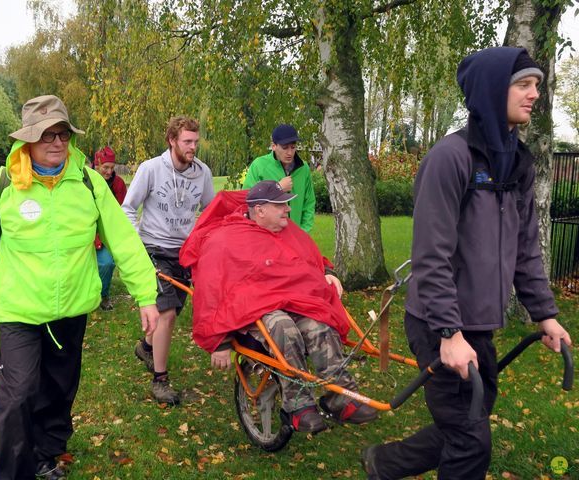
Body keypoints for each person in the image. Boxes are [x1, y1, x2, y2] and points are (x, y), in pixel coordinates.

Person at [360, 48, 572, 480]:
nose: (535, 94)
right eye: (524, 84)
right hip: (439, 323)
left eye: (537, 85)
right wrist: (448, 334)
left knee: (468, 421)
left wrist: (545, 314)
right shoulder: (450, 158)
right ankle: (384, 463)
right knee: (470, 441)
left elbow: (526, 249)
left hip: (477, 323)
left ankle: (382, 463)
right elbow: (431, 255)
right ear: (494, 91)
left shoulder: (518, 163)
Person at [0, 94, 160, 480]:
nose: (57, 142)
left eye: (63, 133)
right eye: (46, 135)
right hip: (19, 310)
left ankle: (45, 455)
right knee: (18, 394)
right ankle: (9, 473)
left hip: (71, 308)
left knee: (58, 391)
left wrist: (146, 295)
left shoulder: (89, 183)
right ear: (27, 141)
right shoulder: (5, 183)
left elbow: (123, 239)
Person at [180, 180, 378, 433]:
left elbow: (310, 257)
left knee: (319, 325)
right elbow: (211, 289)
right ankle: (297, 406)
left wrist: (327, 272)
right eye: (280, 205)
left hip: (294, 298)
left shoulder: (288, 230)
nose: (287, 209)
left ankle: (341, 398)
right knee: (283, 328)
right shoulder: (225, 238)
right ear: (260, 210)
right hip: (252, 310)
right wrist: (219, 342)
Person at [122, 115, 215, 405]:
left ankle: (146, 347)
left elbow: (212, 212)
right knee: (168, 315)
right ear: (172, 140)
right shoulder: (151, 169)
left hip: (185, 253)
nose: (193, 147)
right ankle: (160, 381)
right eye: (187, 141)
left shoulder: (203, 173)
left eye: (196, 142)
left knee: (170, 314)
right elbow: (128, 208)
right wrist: (137, 249)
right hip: (154, 249)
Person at [242, 124, 315, 232]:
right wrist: (278, 187)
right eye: (285, 148)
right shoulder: (259, 166)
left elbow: (309, 203)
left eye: (293, 147)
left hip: (296, 236)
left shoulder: (304, 168)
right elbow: (248, 200)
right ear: (274, 146)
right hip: (267, 235)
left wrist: (303, 232)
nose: (290, 152)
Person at [93, 145, 128, 310]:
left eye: (111, 168)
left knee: (106, 263)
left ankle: (103, 295)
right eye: (105, 167)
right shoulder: (85, 180)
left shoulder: (119, 184)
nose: (109, 171)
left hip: (106, 233)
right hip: (86, 231)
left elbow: (123, 210)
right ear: (97, 166)